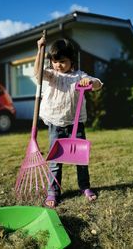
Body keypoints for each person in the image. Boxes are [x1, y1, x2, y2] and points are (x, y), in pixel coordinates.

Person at [34, 36, 103, 208]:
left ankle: (85, 187)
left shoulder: (79, 76)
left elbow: (98, 84)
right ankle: (53, 192)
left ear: (72, 60)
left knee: (81, 158)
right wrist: (39, 51)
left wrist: (91, 82)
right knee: (55, 160)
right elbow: (37, 73)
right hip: (55, 123)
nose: (58, 65)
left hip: (75, 122)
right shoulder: (51, 75)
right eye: (55, 61)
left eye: (62, 61)